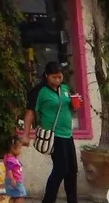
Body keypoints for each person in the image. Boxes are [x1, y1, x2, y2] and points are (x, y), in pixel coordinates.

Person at [23, 62, 77, 203]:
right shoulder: (40, 91)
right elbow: (30, 113)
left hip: (68, 134)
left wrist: (76, 104)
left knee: (72, 170)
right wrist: (26, 134)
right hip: (54, 136)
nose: (58, 80)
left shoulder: (65, 88)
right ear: (46, 76)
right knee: (61, 169)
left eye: (60, 77)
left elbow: (71, 107)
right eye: (54, 77)